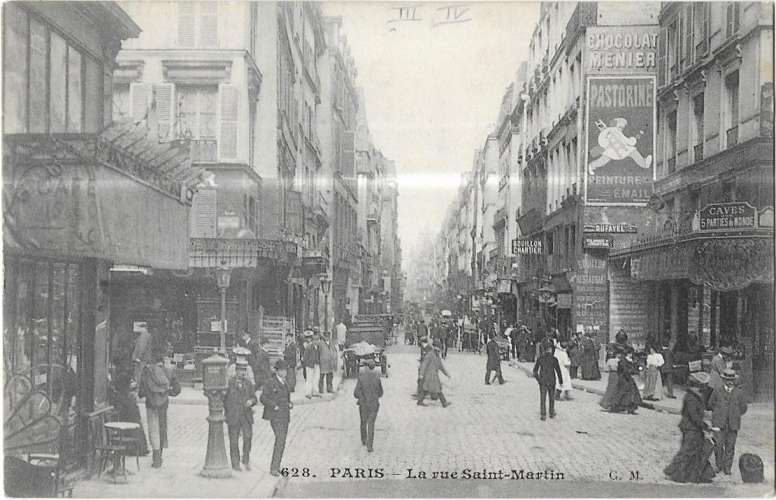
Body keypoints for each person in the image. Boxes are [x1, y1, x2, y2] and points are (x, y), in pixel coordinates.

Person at [664, 372, 716, 483]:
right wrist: (705, 426)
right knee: (687, 451)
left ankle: (695, 474)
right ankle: (676, 473)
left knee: (695, 450)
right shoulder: (691, 397)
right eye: (703, 385)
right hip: (690, 428)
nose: (704, 387)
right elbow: (694, 416)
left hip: (693, 428)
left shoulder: (695, 396)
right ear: (698, 385)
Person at [138, 343, 180, 468]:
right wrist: (167, 392)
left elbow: (142, 390)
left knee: (152, 428)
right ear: (164, 358)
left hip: (151, 403)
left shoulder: (147, 370)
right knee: (162, 428)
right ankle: (159, 457)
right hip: (163, 404)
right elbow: (177, 389)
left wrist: (145, 394)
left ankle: (155, 456)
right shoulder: (169, 371)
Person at [709, 368, 748, 475]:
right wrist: (719, 413)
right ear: (724, 380)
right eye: (727, 379)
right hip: (719, 423)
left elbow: (743, 408)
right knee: (718, 445)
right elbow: (711, 404)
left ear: (734, 380)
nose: (729, 381)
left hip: (733, 424)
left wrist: (734, 414)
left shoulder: (739, 393)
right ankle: (719, 465)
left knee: (730, 446)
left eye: (731, 379)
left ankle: (727, 468)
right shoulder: (717, 390)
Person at [260, 360, 293, 477]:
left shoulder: (286, 383)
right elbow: (263, 398)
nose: (285, 373)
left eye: (285, 370)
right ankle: (273, 468)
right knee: (280, 439)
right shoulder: (270, 383)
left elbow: (287, 398)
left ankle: (277, 466)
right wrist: (274, 405)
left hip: (285, 416)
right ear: (277, 371)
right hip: (275, 416)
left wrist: (290, 404)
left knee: (282, 441)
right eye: (282, 370)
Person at [224, 358, 257, 471]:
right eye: (241, 370)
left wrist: (251, 402)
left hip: (246, 416)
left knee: (248, 438)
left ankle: (246, 460)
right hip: (233, 416)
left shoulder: (248, 384)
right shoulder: (229, 383)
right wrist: (227, 412)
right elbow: (224, 399)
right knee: (233, 441)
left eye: (244, 370)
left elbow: (254, 398)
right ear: (236, 371)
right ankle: (235, 463)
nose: (243, 373)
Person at [353, 359, 383, 452]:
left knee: (363, 422)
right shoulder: (377, 378)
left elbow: (355, 393)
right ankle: (370, 446)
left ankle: (363, 439)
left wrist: (361, 398)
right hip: (374, 405)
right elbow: (381, 393)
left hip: (363, 404)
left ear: (366, 367)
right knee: (371, 425)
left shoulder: (361, 378)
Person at [533, 343, 563, 421]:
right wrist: (561, 380)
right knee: (551, 397)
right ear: (550, 349)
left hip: (543, 380)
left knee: (543, 397)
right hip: (552, 380)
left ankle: (543, 414)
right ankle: (551, 412)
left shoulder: (540, 358)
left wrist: (538, 379)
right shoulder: (554, 359)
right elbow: (558, 371)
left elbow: (535, 371)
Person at [609, 348, 642, 414]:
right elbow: (624, 370)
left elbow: (634, 368)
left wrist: (635, 371)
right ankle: (618, 406)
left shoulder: (630, 360)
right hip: (624, 378)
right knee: (623, 392)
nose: (631, 355)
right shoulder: (623, 361)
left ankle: (631, 408)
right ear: (628, 353)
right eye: (630, 353)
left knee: (632, 393)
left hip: (629, 378)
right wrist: (629, 373)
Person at [599, 347, 622, 411]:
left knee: (610, 389)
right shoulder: (620, 361)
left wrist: (610, 369)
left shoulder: (610, 360)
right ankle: (613, 404)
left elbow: (606, 369)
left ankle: (607, 403)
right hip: (618, 374)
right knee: (616, 389)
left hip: (611, 375)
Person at [302, 331, 320, 399]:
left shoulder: (318, 347)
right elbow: (305, 357)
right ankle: (308, 393)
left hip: (316, 364)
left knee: (316, 378)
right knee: (309, 379)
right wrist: (306, 364)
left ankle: (315, 392)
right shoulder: (309, 346)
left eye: (317, 340)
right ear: (313, 340)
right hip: (310, 365)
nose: (316, 341)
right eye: (315, 340)